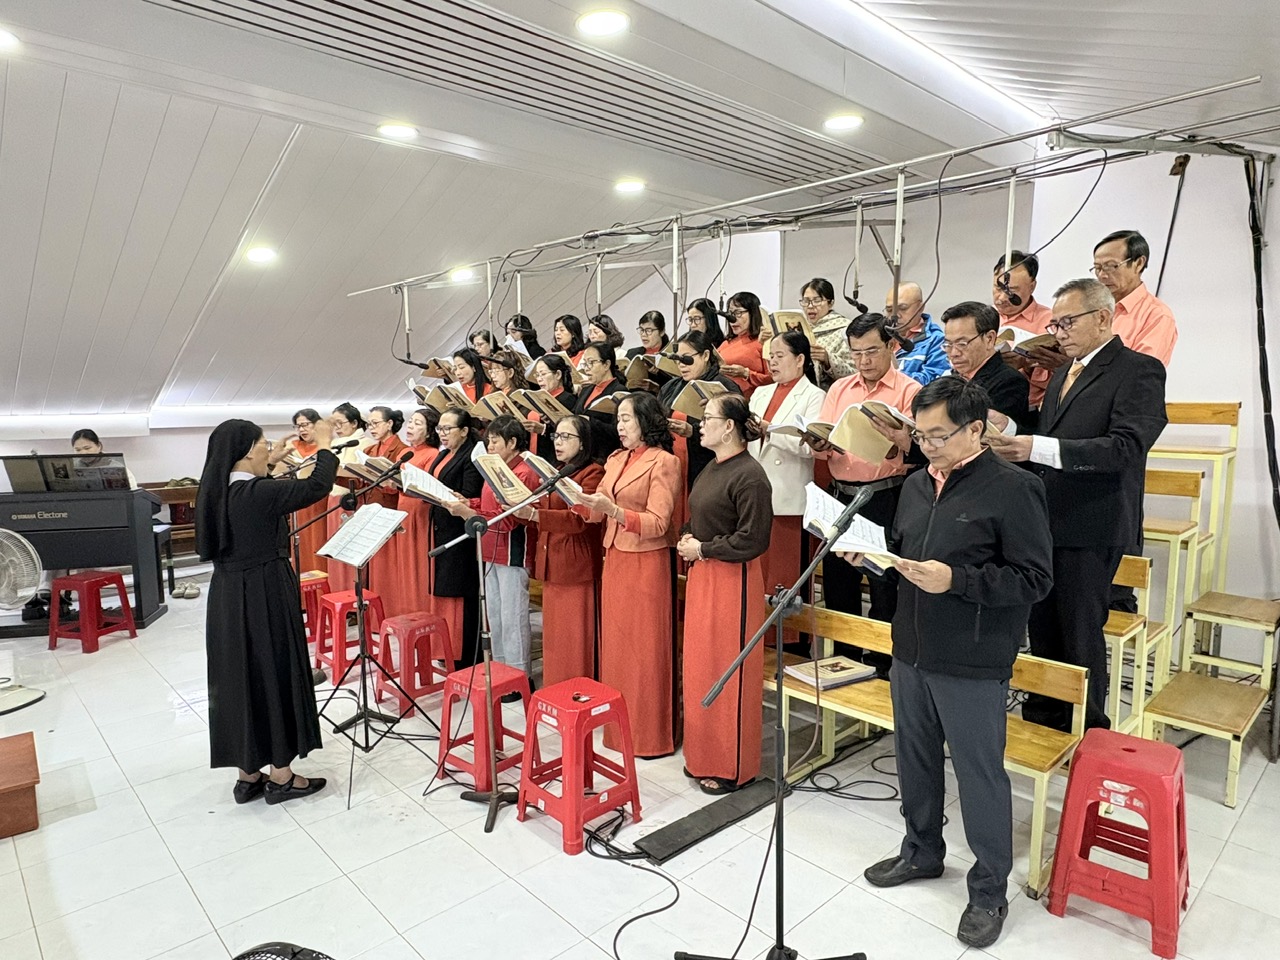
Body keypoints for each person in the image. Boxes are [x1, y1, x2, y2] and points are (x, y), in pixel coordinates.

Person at [855, 376, 1053, 951]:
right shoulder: (917, 484)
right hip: (911, 651)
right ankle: (921, 851)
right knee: (914, 759)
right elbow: (905, 554)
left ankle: (989, 889)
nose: (926, 446)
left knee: (979, 774)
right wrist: (872, 559)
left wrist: (958, 580)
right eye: (919, 434)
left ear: (976, 430)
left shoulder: (1014, 488)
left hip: (971, 657)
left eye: (938, 435)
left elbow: (1035, 579)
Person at [986, 278, 1168, 731]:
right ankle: (1044, 722)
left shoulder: (1138, 370)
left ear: (1103, 317)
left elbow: (1125, 448)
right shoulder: (1065, 372)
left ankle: (1088, 732)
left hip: (1093, 522)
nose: (1058, 333)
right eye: (1054, 324)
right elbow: (1050, 434)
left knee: (1080, 634)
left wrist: (1036, 447)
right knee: (1043, 627)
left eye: (1067, 322)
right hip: (1048, 519)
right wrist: (1009, 429)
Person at [196, 418, 339, 804]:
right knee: (274, 672)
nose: (269, 448)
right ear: (246, 452)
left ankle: (248, 775)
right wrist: (325, 445)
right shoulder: (258, 493)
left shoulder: (215, 490)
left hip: (227, 595)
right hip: (264, 590)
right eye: (264, 443)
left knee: (239, 678)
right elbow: (316, 486)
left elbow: (256, 495)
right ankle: (282, 776)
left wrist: (272, 461)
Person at [575, 393, 683, 757]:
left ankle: (648, 734)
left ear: (645, 422)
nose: (619, 426)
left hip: (646, 562)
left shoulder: (665, 461)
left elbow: (658, 522)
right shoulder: (616, 458)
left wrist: (615, 511)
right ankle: (616, 729)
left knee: (644, 649)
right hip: (617, 556)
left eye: (627, 419)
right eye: (618, 419)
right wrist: (577, 499)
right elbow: (597, 511)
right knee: (617, 645)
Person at [677, 394, 772, 794]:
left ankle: (732, 765)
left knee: (727, 670)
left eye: (708, 418)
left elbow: (753, 539)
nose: (700, 424)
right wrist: (688, 536)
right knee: (701, 666)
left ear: (729, 426)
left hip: (734, 579)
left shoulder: (750, 475)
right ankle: (702, 754)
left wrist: (703, 548)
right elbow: (700, 514)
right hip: (705, 574)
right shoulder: (712, 466)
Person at [809, 315, 920, 639]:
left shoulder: (910, 390)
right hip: (840, 495)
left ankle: (882, 661)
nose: (863, 361)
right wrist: (820, 443)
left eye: (871, 351)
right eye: (856, 353)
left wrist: (893, 445)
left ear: (891, 346)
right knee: (838, 582)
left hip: (885, 496)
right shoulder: (840, 388)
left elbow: (915, 448)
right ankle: (845, 655)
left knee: (884, 584)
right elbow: (826, 437)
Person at [446, 416, 539, 683]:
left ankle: (519, 677)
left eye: (495, 441)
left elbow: (509, 519)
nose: (490, 446)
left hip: (511, 551)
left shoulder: (523, 472)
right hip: (489, 547)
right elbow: (489, 505)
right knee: (495, 615)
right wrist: (470, 503)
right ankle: (500, 669)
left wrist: (468, 513)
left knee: (512, 617)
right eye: (488, 441)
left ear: (512, 442)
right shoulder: (496, 466)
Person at [748, 330, 825, 645]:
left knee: (784, 573)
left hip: (788, 495)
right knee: (758, 573)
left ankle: (790, 642)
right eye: (770, 357)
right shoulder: (760, 393)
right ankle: (757, 639)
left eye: (780, 356)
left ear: (800, 359)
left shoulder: (814, 396)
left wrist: (771, 431)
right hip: (756, 492)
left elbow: (811, 447)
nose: (773, 362)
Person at [518, 416, 605, 685]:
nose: (558, 442)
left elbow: (579, 520)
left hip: (575, 563)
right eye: (556, 436)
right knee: (554, 633)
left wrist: (535, 515)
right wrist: (520, 507)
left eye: (566, 437)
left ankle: (576, 687)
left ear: (583, 443)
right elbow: (540, 514)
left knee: (574, 635)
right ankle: (555, 686)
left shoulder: (592, 473)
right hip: (551, 558)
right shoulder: (557, 470)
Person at [426, 408, 485, 666]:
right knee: (446, 589)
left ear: (464, 431)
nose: (442, 433)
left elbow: (470, 494)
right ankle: (447, 648)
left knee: (461, 592)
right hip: (441, 527)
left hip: (461, 532)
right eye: (440, 428)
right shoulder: (443, 454)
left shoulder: (470, 456)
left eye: (448, 428)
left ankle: (465, 654)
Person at [658, 330, 743, 491]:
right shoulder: (670, 387)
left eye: (687, 359)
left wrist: (693, 432)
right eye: (678, 359)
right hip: (673, 462)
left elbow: (736, 431)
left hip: (708, 465)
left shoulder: (724, 387)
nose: (681, 365)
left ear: (705, 355)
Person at [381, 407, 440, 619]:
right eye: (411, 422)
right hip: (403, 510)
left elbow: (427, 486)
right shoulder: (404, 453)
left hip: (420, 512)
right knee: (404, 565)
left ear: (430, 431)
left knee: (419, 565)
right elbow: (395, 489)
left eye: (418, 423)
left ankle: (421, 613)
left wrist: (400, 483)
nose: (411, 426)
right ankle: (406, 612)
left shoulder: (432, 454)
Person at [1091, 230, 1178, 367]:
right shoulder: (1091, 307)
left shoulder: (1157, 316)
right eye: (1097, 268)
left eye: (1111, 266)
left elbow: (1139, 372)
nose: (1102, 275)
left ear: (1138, 264)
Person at [940, 302, 1032, 430]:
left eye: (962, 344)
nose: (954, 353)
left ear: (989, 338)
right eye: (948, 344)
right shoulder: (949, 377)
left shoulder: (1009, 382)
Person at [993, 251, 1058, 409]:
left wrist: (1028, 366)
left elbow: (1064, 377)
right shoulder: (984, 317)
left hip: (1029, 409)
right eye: (998, 287)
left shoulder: (1051, 322)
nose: (1002, 298)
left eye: (1012, 291)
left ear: (1032, 286)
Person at [266, 408, 328, 573]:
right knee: (302, 539)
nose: (302, 430)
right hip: (298, 497)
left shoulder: (326, 447)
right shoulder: (292, 447)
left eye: (306, 425)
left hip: (319, 498)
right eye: (298, 426)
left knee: (319, 538)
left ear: (317, 425)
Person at [323, 403, 371, 594]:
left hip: (351, 501)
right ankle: (338, 592)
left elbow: (362, 476)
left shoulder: (365, 444)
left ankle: (354, 594)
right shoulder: (334, 444)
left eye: (340, 423)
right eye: (333, 423)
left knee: (351, 550)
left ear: (354, 423)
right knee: (335, 548)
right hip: (333, 500)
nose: (337, 428)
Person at [885, 281, 949, 385]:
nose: (895, 315)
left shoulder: (937, 340)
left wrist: (891, 377)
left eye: (903, 308)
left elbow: (935, 382)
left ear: (921, 307)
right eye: (889, 310)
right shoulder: (880, 337)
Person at [573, 341, 630, 458]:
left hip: (602, 455)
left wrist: (591, 422)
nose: (586, 369)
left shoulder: (619, 391)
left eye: (591, 363)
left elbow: (618, 430)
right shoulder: (586, 389)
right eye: (585, 363)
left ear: (606, 364)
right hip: (581, 452)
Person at [798, 278, 854, 388]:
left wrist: (828, 359)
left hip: (829, 392)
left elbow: (855, 372)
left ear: (830, 303)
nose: (810, 306)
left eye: (817, 300)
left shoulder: (845, 329)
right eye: (806, 301)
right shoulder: (801, 328)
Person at [717, 291, 772, 399]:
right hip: (723, 400)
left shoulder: (764, 342)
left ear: (753, 313)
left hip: (751, 401)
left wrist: (746, 374)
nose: (732, 319)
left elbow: (773, 380)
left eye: (738, 313)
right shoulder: (725, 343)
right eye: (730, 313)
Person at [524, 354, 578, 462]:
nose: (539, 379)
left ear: (558, 374)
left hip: (553, 458)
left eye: (543, 374)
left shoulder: (568, 400)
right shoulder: (538, 398)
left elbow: (570, 434)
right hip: (533, 456)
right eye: (537, 375)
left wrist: (544, 430)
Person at [70, 429, 138, 488]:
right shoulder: (72, 469)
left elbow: (132, 492)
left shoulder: (117, 467)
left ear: (99, 446)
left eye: (87, 448)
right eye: (78, 450)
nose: (83, 453)